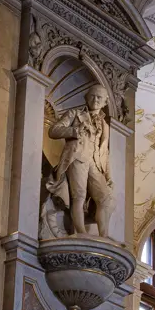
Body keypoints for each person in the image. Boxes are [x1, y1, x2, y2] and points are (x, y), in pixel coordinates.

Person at [47, 83, 115, 237]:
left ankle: (104, 236)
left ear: (105, 102)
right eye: (92, 95)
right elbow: (53, 130)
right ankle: (81, 232)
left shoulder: (105, 125)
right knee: (79, 195)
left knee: (105, 198)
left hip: (95, 163)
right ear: (86, 98)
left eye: (99, 97)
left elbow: (105, 152)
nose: (96, 99)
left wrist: (108, 175)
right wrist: (74, 131)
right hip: (77, 157)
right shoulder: (74, 113)